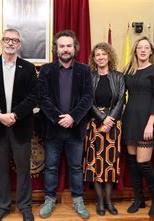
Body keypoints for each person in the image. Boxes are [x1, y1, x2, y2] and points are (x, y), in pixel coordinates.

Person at [0, 28, 38, 221]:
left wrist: (15, 115)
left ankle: (24, 206)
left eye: (15, 40)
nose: (11, 43)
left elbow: (33, 97)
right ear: (2, 42)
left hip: (20, 126)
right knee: (1, 169)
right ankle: (3, 206)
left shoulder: (28, 68)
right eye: (7, 39)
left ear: (19, 44)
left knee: (23, 170)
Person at [38, 30, 93, 219]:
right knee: (51, 167)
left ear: (74, 48)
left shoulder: (85, 70)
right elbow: (43, 98)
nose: (65, 49)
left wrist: (73, 118)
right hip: (53, 129)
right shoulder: (46, 70)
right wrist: (59, 118)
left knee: (76, 167)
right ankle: (49, 199)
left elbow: (87, 98)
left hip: (75, 129)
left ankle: (78, 201)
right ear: (56, 49)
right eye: (62, 46)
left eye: (69, 45)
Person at [122, 36, 154, 216]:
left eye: (147, 48)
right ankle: (139, 199)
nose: (143, 50)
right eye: (140, 47)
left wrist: (150, 124)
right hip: (130, 119)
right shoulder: (128, 70)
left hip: (147, 121)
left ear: (151, 51)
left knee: (143, 163)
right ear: (135, 50)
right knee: (133, 163)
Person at [83, 42, 124, 216]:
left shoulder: (119, 76)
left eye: (103, 54)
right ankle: (99, 201)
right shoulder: (89, 77)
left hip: (114, 126)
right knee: (95, 164)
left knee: (110, 165)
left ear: (109, 56)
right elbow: (88, 101)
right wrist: (102, 119)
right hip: (94, 124)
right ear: (93, 58)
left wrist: (110, 120)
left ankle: (108, 200)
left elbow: (121, 99)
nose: (100, 57)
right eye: (97, 55)